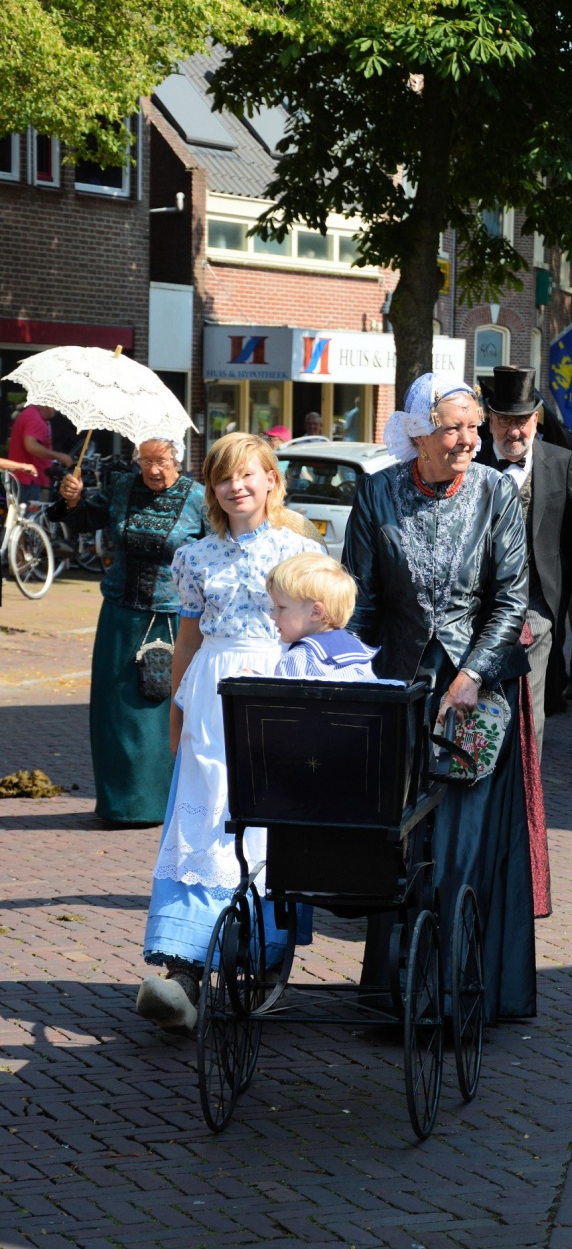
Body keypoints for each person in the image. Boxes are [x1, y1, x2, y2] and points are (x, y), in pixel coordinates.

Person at [344, 371, 548, 1024]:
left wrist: (471, 676)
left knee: (461, 843)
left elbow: (511, 597)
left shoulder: (495, 494)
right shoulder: (376, 496)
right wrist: (348, 677)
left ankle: (455, 996)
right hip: (400, 689)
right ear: (416, 433)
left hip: (474, 698)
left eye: (472, 425)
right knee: (402, 841)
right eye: (450, 427)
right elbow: (363, 604)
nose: (465, 440)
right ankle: (393, 991)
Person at [137, 433, 324, 1033]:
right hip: (211, 696)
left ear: (271, 479)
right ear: (213, 490)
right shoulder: (193, 557)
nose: (235, 486)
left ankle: (264, 961)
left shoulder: (300, 551)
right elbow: (188, 639)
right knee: (201, 825)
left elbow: (322, 631)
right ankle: (181, 971)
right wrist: (177, 709)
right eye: (223, 478)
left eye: (247, 475)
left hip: (276, 690)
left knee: (270, 826)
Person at [53, 439, 205, 826]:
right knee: (115, 713)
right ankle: (119, 805)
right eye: (146, 461)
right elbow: (83, 519)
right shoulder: (122, 487)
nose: (154, 470)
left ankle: (158, 805)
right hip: (120, 616)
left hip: (172, 619)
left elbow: (216, 550)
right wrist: (71, 500)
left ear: (179, 461)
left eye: (163, 462)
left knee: (158, 712)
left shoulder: (198, 499)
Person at [477, 366, 572, 759]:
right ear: (490, 420)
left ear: (536, 420)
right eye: (504, 422)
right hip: (478, 605)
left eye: (521, 421)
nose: (514, 432)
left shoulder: (559, 461)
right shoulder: (472, 461)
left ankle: (524, 794)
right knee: (482, 702)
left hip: (537, 601)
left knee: (529, 708)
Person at [267, 552, 385, 681]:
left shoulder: (295, 660)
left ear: (316, 612)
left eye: (281, 607)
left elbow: (282, 701)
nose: (273, 616)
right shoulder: (360, 655)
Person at [8, 403, 74, 499]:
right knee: (28, 513)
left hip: (27, 478)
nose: (56, 410)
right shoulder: (34, 419)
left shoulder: (32, 415)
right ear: (48, 405)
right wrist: (59, 456)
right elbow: (31, 446)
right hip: (28, 480)